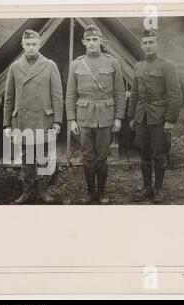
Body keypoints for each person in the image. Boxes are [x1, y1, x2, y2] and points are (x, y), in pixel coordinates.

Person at [66, 24, 126, 205]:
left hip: (106, 117)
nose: (92, 43)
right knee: (87, 157)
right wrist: (71, 119)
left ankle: (101, 192)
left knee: (102, 157)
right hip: (84, 117)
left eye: (95, 39)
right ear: (84, 42)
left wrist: (118, 117)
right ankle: (90, 191)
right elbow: (70, 94)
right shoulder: (76, 64)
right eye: (88, 40)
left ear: (101, 41)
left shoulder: (113, 62)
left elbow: (119, 93)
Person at [3, 29, 63, 204]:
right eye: (27, 44)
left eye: (34, 44)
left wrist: (57, 121)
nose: (31, 47)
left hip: (44, 119)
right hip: (22, 120)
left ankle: (43, 191)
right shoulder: (15, 66)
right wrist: (7, 124)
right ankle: (28, 191)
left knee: (43, 155)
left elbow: (57, 96)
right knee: (27, 157)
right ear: (23, 45)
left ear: (39, 44)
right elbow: (9, 97)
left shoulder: (50, 65)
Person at [128, 29, 182, 203]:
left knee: (158, 154)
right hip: (141, 117)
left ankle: (158, 189)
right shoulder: (138, 66)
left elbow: (175, 95)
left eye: (152, 42)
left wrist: (170, 120)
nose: (149, 46)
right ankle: (146, 188)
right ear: (141, 45)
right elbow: (134, 94)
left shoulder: (168, 66)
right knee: (144, 154)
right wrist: (131, 117)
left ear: (157, 44)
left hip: (159, 118)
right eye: (145, 43)